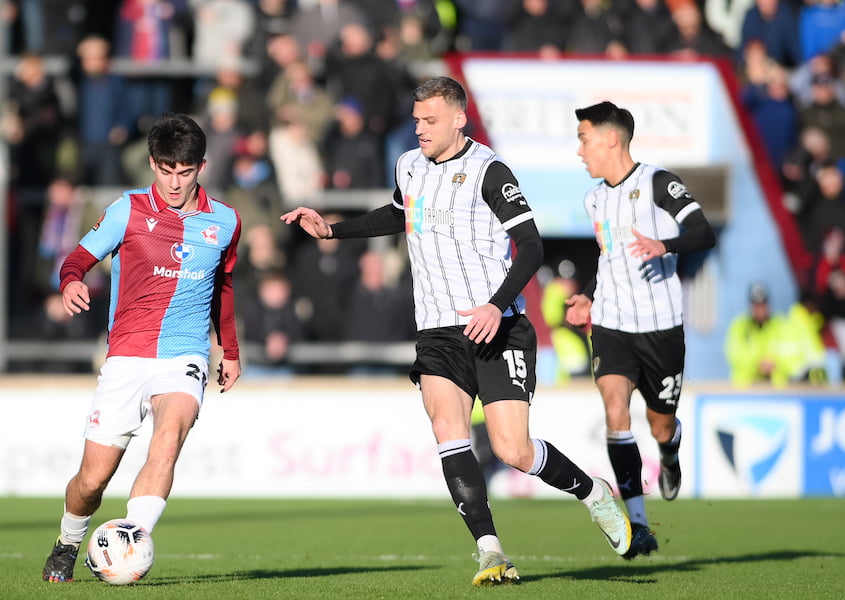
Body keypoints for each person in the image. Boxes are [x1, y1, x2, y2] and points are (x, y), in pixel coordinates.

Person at [281, 76, 633, 587]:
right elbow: (399, 214)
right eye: (416, 120)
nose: (420, 129)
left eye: (430, 120)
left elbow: (532, 246)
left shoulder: (490, 171)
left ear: (458, 119)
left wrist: (496, 304)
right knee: (449, 431)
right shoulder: (408, 165)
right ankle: (491, 552)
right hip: (437, 332)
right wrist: (333, 229)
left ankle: (592, 492)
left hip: (498, 326)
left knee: (513, 450)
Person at [41, 112, 243, 582]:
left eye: (185, 172)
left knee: (168, 439)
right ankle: (69, 540)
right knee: (92, 481)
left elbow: (224, 287)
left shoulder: (226, 221)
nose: (174, 183)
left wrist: (229, 351)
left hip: (184, 353)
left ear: (201, 167)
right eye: (166, 170)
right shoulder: (127, 209)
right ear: (153, 163)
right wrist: (71, 281)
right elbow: (77, 258)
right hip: (127, 356)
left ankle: (129, 545)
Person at [567, 101, 716, 559]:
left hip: (661, 328)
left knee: (660, 424)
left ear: (611, 139)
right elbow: (609, 257)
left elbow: (704, 232)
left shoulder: (658, 183)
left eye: (584, 139)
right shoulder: (594, 198)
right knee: (615, 410)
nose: (580, 151)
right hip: (611, 324)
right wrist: (588, 295)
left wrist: (664, 244)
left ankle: (669, 453)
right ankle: (638, 524)